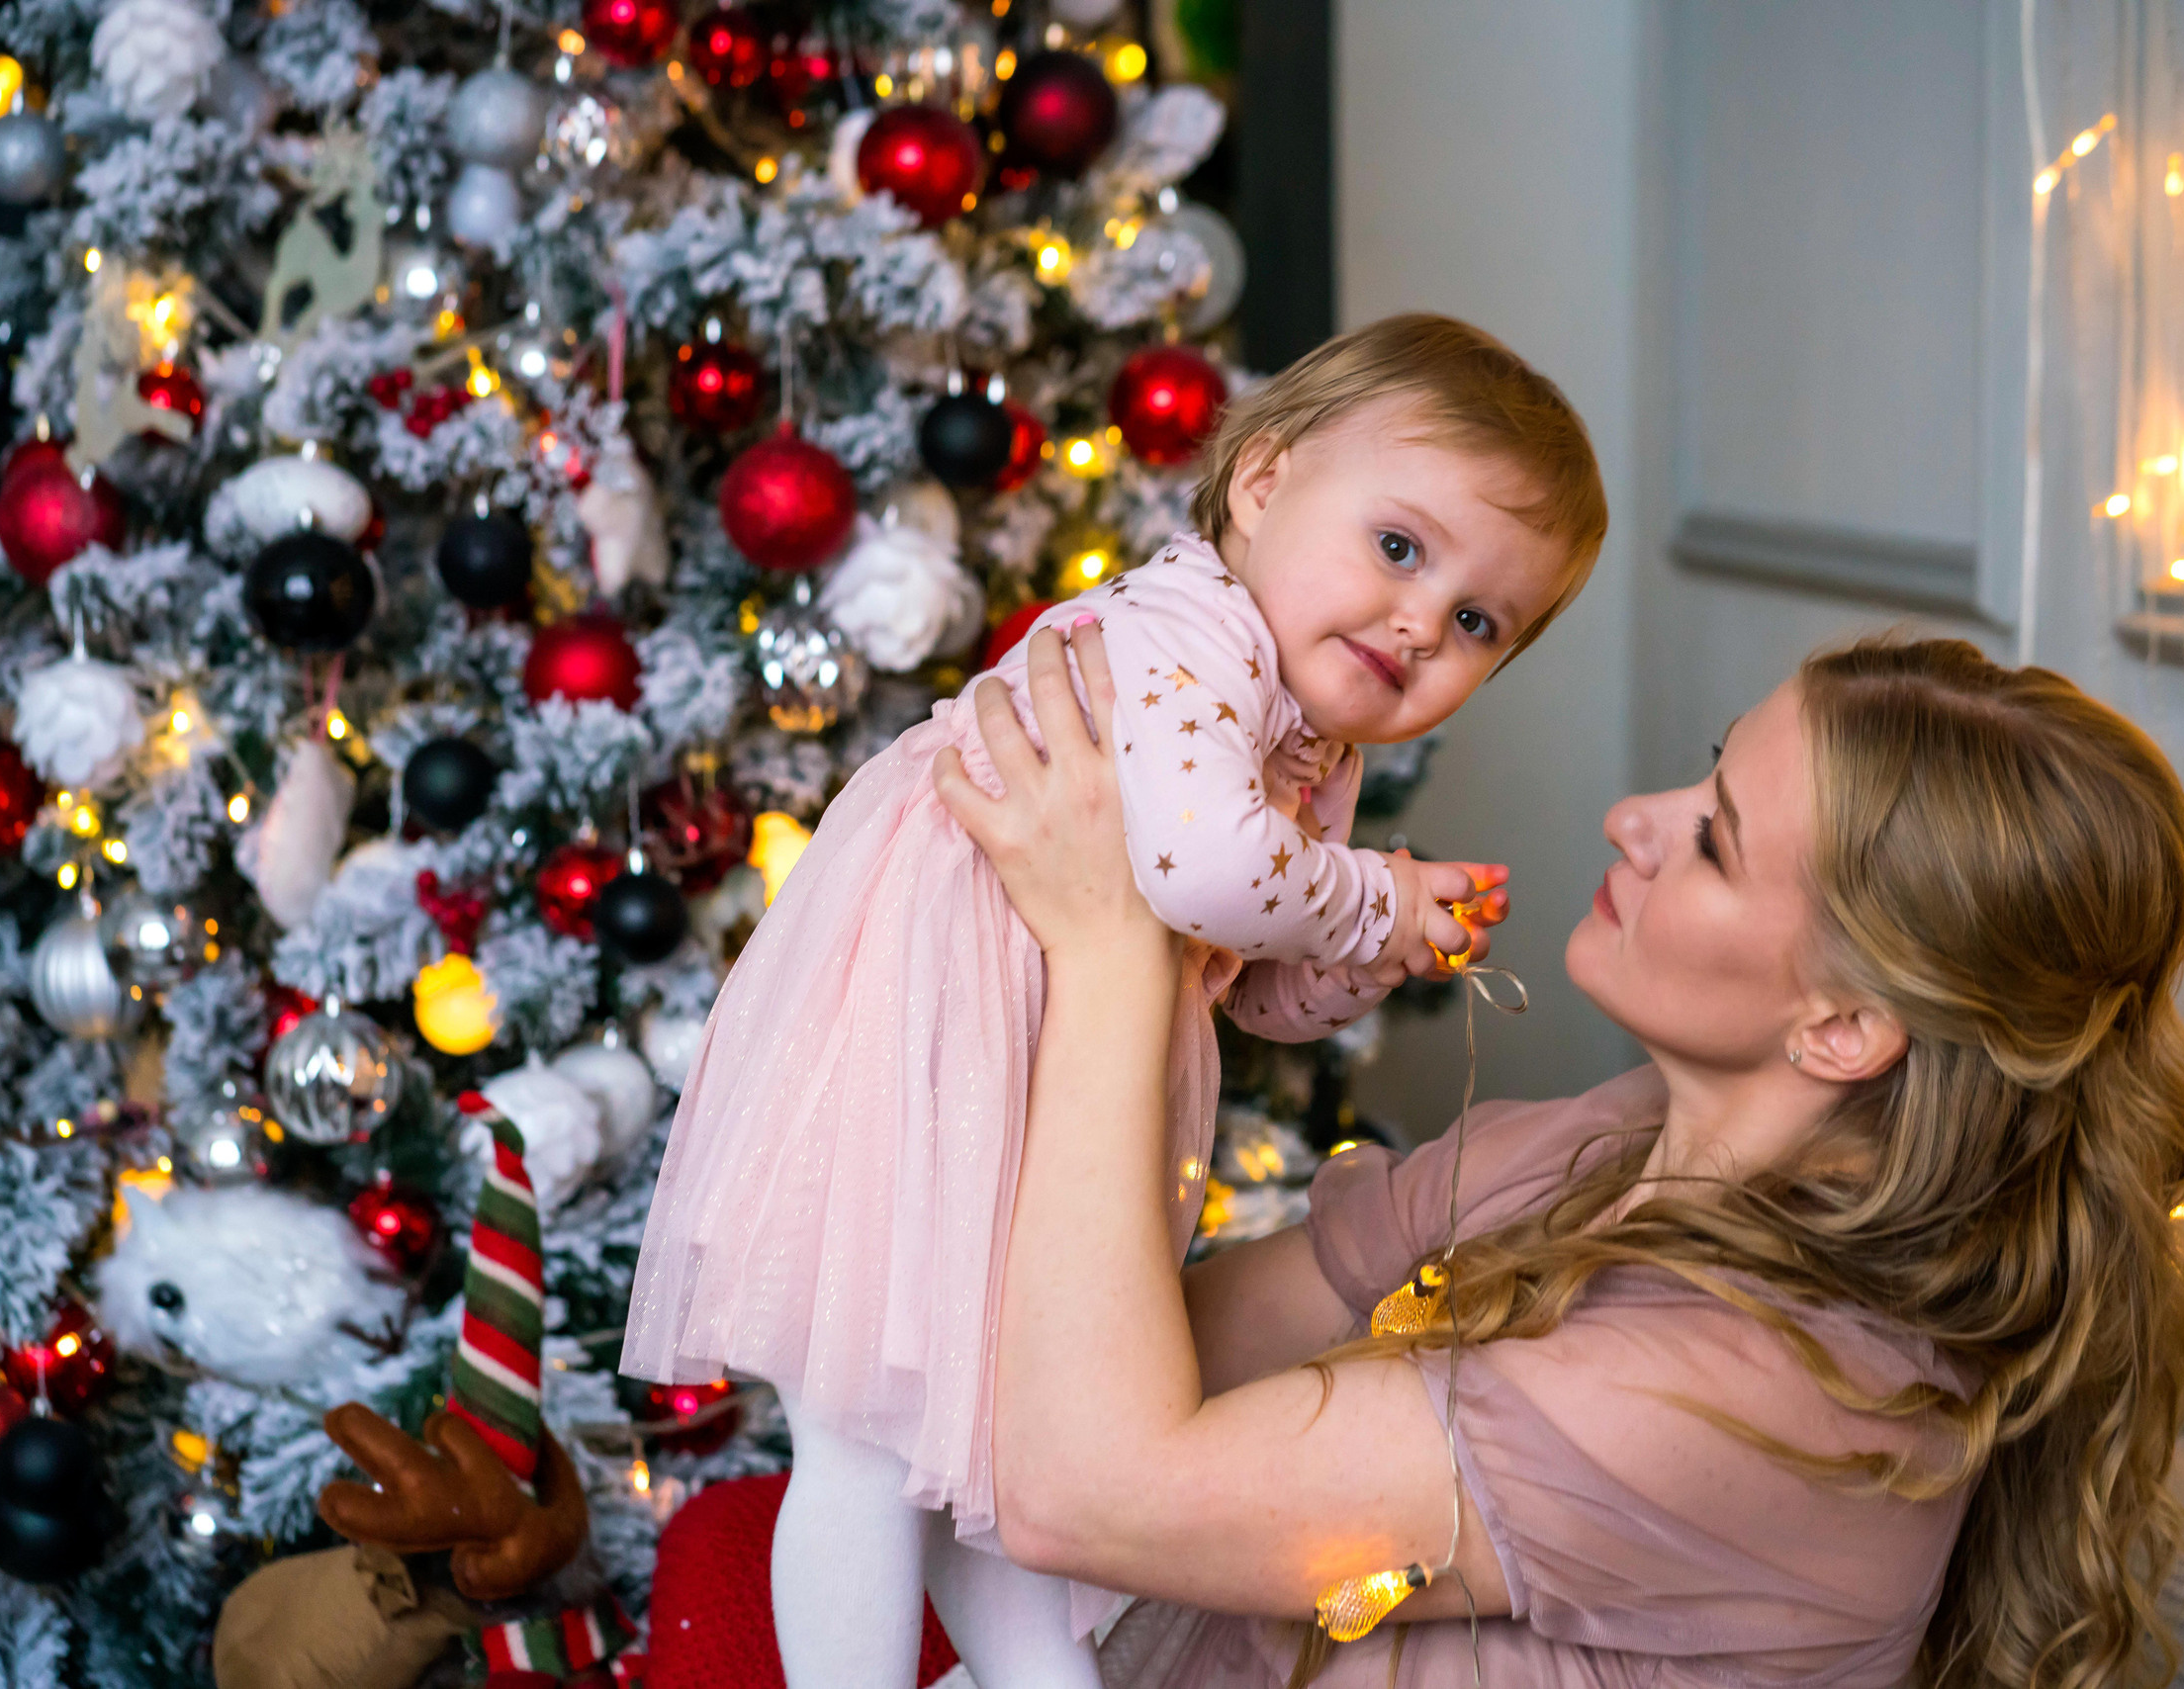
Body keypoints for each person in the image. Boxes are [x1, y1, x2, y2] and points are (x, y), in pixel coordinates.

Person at [939, 621, 2184, 1687]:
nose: (1632, 820)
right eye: (1707, 775)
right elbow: (1098, 1377)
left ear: (1843, 1027)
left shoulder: (1763, 1396)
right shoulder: (1613, 1144)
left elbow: (1079, 1491)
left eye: (1715, 841)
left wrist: (1113, 953)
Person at [624, 314, 1610, 1688]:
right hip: (938, 1033)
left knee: (987, 1450)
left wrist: (1370, 959)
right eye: (1399, 546)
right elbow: (1206, 869)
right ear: (1261, 483)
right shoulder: (1189, 633)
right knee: (862, 1445)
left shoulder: (1313, 744)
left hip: (1052, 1065)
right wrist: (1376, 898)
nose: (1418, 622)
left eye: (1476, 622)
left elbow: (1250, 992)